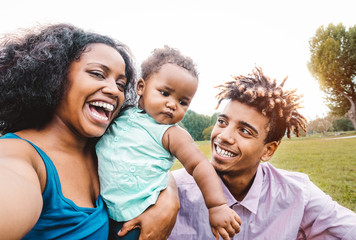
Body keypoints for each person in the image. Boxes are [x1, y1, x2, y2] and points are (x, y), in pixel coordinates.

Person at [0, 23, 180, 240]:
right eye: (97, 74)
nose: (114, 90)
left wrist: (170, 197)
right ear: (54, 76)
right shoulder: (17, 155)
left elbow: (150, 163)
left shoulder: (103, 148)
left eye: (121, 84)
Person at [168, 67, 356, 239]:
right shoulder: (172, 191)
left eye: (244, 131)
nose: (224, 136)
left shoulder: (297, 194)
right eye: (222, 122)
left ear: (268, 150)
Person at [96, 46, 241, 240]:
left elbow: (199, 165)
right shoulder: (122, 114)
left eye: (183, 102)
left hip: (138, 218)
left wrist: (217, 206)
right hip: (101, 211)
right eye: (165, 93)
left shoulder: (172, 134)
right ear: (141, 87)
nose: (173, 104)